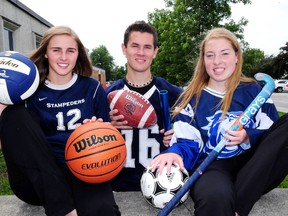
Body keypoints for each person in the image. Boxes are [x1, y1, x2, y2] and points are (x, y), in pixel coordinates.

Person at [150, 27, 288, 216]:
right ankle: (231, 201)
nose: (217, 61)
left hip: (254, 167)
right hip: (212, 167)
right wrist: (175, 153)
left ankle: (239, 206)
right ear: (203, 60)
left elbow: (273, 137)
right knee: (214, 196)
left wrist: (248, 135)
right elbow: (187, 141)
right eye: (210, 55)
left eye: (224, 53)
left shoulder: (254, 91)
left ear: (237, 56)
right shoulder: (191, 98)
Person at [0, 26, 120, 216]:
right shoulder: (28, 90)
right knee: (14, 114)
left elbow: (110, 141)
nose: (63, 57)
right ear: (46, 53)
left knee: (104, 210)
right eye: (56, 50)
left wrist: (97, 131)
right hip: (37, 178)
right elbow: (15, 143)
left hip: (83, 169)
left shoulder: (93, 88)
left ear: (78, 54)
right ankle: (63, 210)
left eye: (70, 51)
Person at [105, 21, 183, 191]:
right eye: (135, 46)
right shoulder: (107, 96)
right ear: (124, 49)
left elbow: (194, 137)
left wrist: (178, 138)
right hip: (116, 187)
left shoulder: (174, 94)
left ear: (155, 52)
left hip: (161, 185)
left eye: (147, 47)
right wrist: (106, 128)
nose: (141, 53)